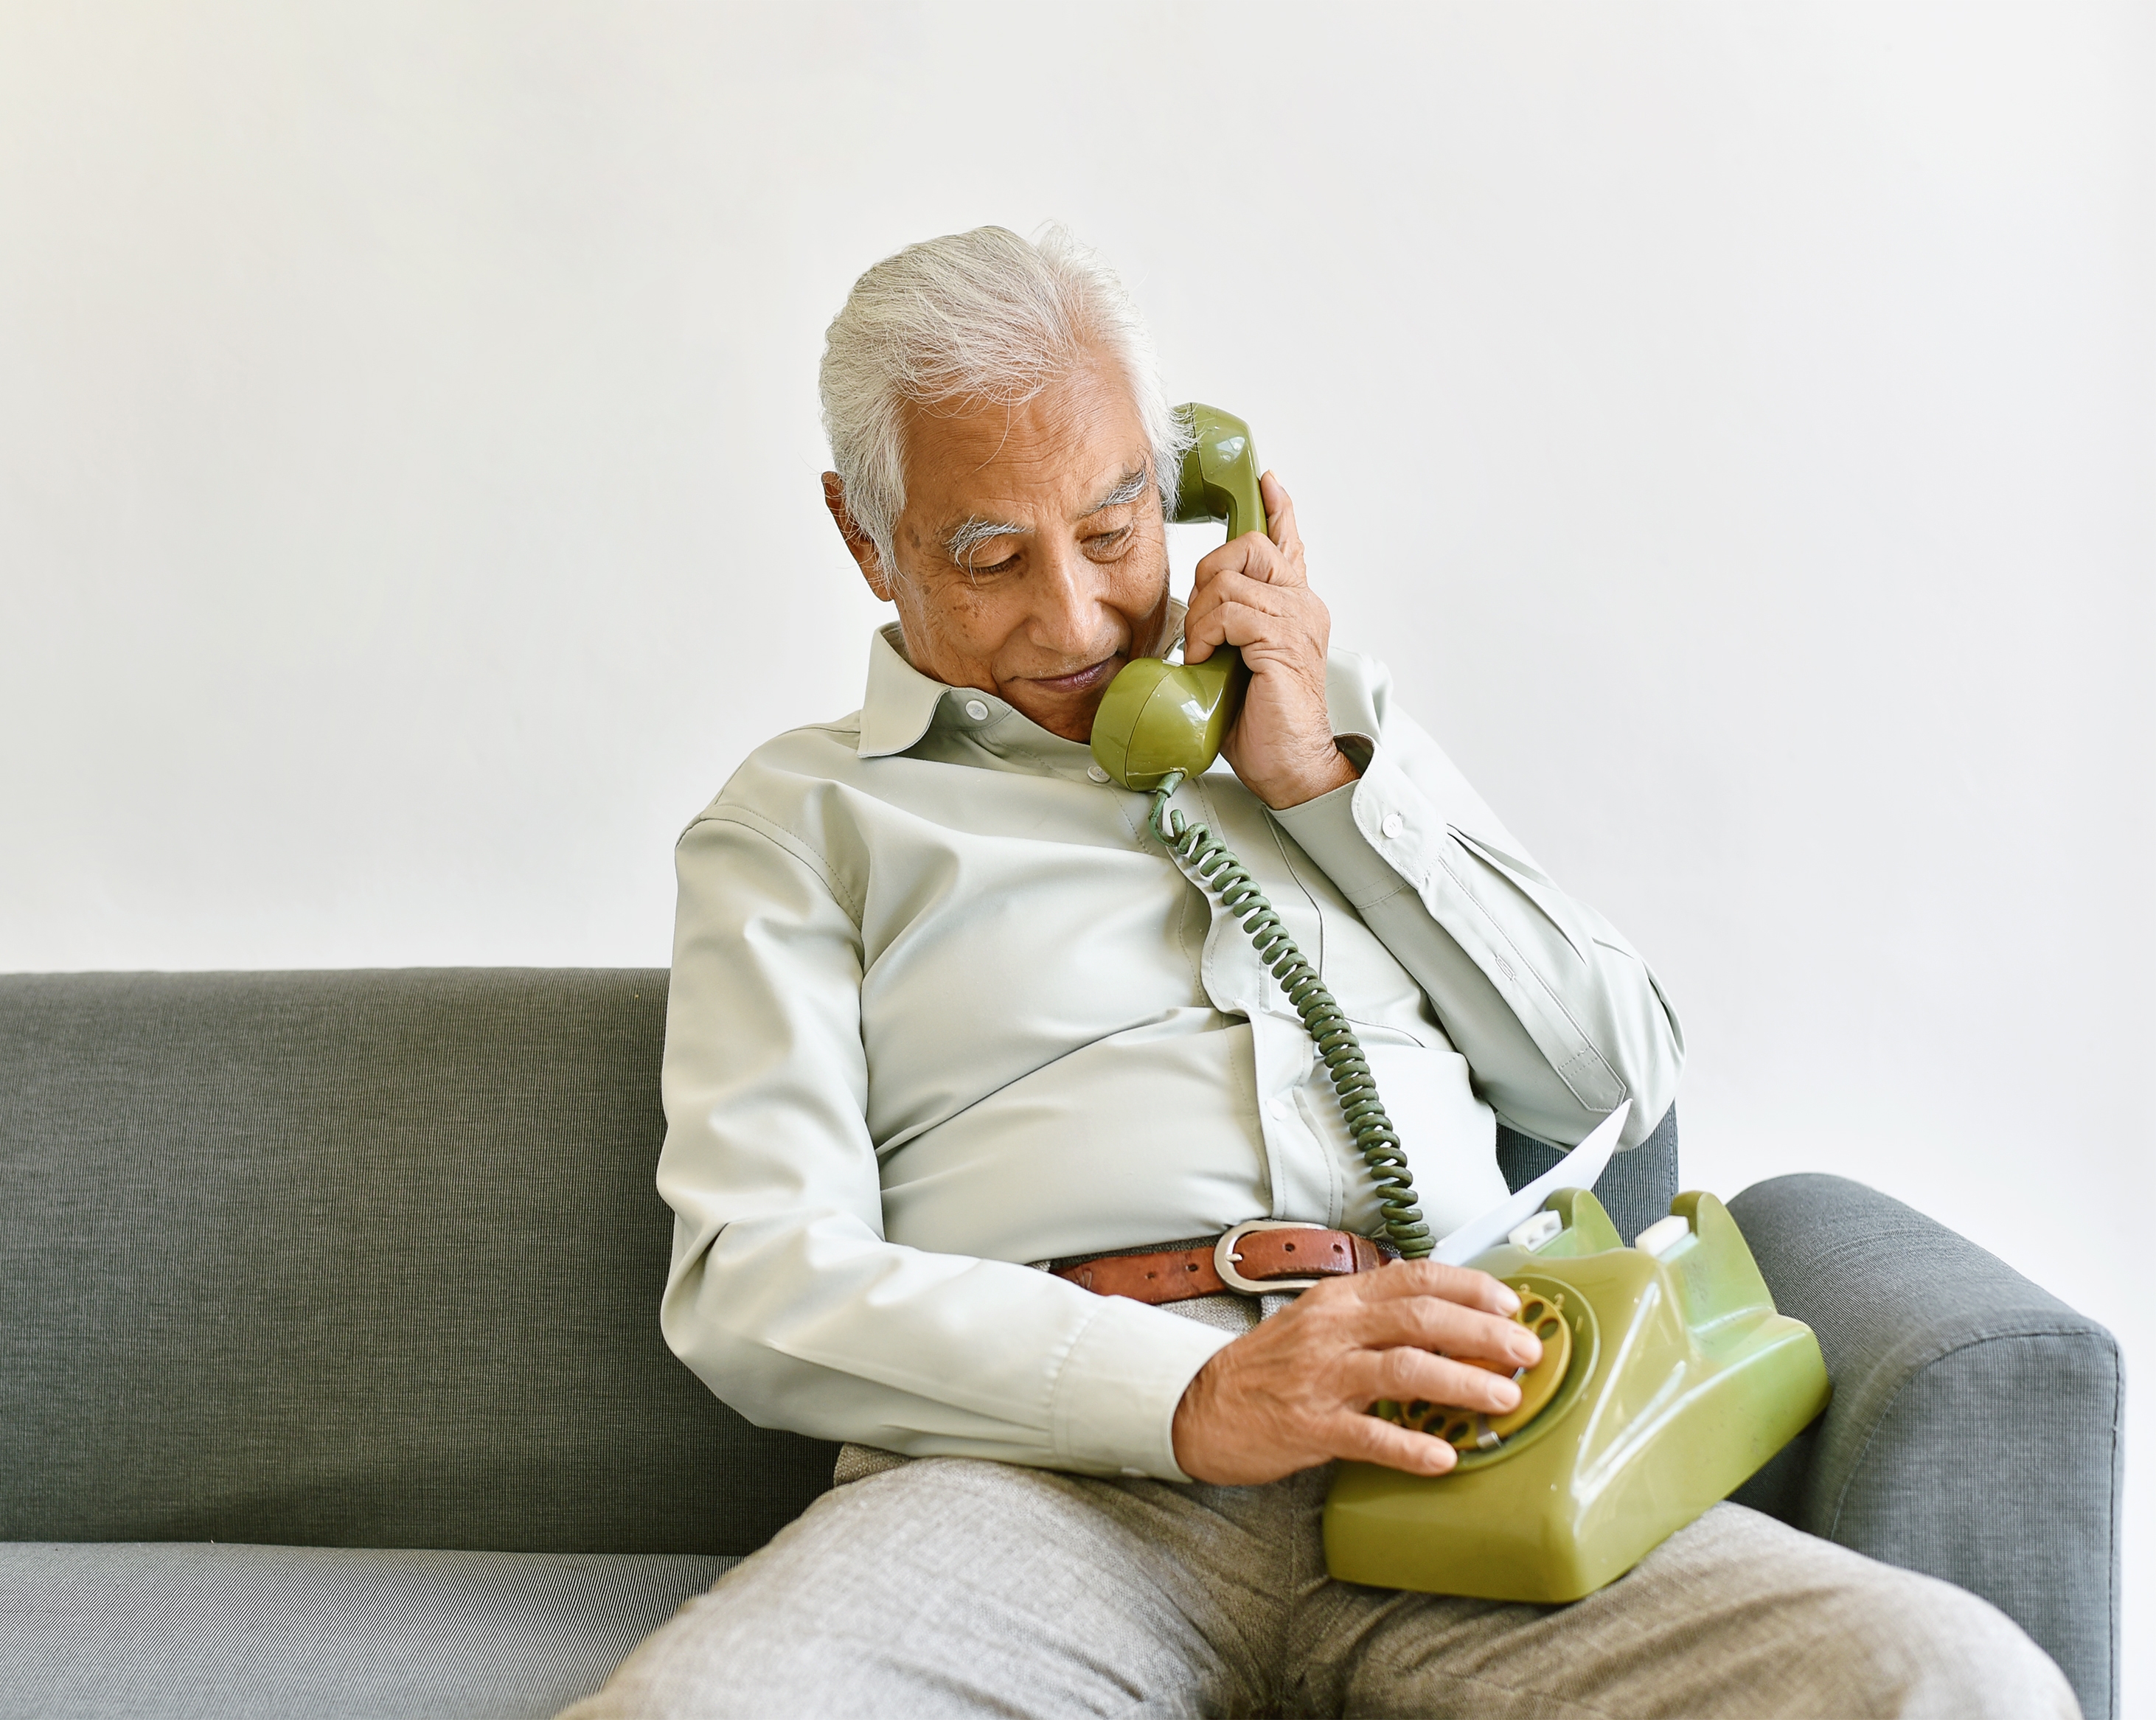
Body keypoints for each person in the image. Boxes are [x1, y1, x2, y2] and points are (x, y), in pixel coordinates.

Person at [563, 226, 2075, 1719]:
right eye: (989, 558)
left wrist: (1321, 787)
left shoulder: (1318, 725)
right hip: (1037, 1488)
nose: (1078, 618)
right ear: (864, 539)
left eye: (1111, 531)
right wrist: (1192, 1400)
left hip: (1468, 1444)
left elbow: (1613, 1076)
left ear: (1185, 490)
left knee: (1950, 1682)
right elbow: (758, 1285)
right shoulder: (797, 826)